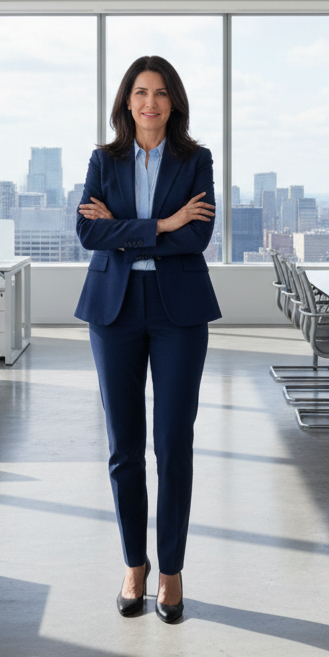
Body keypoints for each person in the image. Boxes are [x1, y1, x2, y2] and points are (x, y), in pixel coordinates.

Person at [75, 55, 221, 623]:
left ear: (173, 102)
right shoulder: (103, 159)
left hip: (177, 311)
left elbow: (200, 237)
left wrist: (126, 232)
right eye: (140, 92)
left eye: (160, 93)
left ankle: (171, 572)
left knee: (173, 445)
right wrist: (162, 225)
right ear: (126, 102)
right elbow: (88, 231)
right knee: (123, 448)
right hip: (113, 311)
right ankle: (134, 566)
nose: (150, 102)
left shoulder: (196, 160)